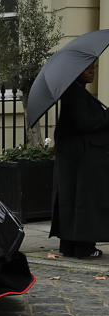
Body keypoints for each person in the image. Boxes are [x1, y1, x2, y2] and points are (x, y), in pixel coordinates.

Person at [50, 63, 109, 258]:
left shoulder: (75, 92)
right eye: (87, 68)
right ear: (76, 70)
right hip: (83, 160)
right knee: (85, 200)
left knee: (73, 199)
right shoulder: (75, 93)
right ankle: (84, 247)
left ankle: (70, 245)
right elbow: (86, 122)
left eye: (93, 67)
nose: (92, 71)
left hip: (76, 159)